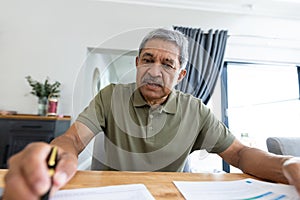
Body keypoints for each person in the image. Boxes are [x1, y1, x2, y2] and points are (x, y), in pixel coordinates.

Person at [3, 28, 300, 199]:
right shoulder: (111, 96)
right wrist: (54, 159)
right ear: (137, 63)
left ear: (180, 74)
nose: (154, 72)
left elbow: (238, 154)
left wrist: (287, 163)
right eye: (148, 60)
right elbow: (73, 140)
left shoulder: (195, 110)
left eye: (167, 64)